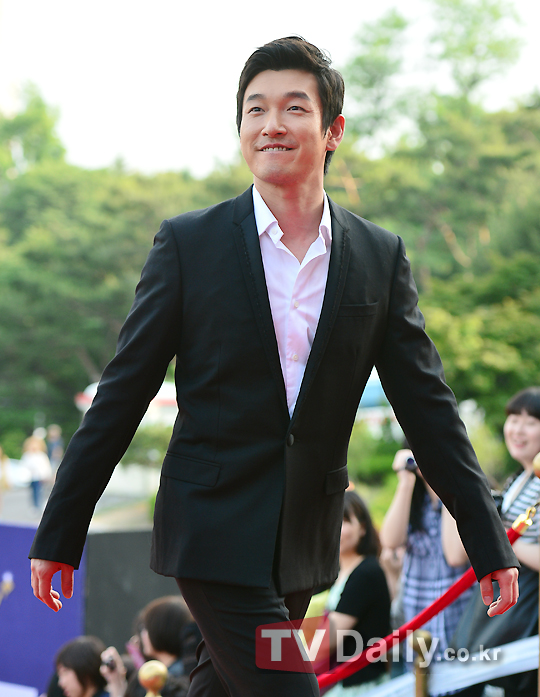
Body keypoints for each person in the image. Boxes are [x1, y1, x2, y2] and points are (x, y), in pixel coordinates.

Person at [30, 36, 518, 697]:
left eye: (293, 107)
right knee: (288, 689)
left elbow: (428, 409)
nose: (271, 124)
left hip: (302, 540)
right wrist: (61, 529)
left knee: (222, 688)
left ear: (333, 130)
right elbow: (121, 394)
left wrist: (486, 539)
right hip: (210, 527)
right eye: (255, 109)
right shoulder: (189, 244)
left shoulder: (378, 256)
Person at [451, 387, 540, 697]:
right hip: (502, 610)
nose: (517, 429)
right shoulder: (518, 480)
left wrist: (501, 538)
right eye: (513, 419)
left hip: (523, 613)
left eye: (531, 422)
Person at [380, 449, 472, 676]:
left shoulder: (465, 492)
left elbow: (455, 556)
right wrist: (405, 481)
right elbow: (390, 541)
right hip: (417, 622)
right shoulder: (415, 500)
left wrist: (446, 481)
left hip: (458, 624)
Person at [323, 491, 391, 695]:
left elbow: (327, 640)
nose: (334, 528)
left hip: (360, 686)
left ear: (362, 527)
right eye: (329, 520)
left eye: (344, 521)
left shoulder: (366, 573)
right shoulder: (334, 573)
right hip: (339, 679)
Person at [21, 434, 52, 510]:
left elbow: (45, 466)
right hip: (31, 477)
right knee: (33, 491)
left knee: (40, 491)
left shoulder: (41, 455)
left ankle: (39, 504)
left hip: (40, 477)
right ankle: (35, 505)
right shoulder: (27, 456)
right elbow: (24, 466)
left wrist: (46, 475)